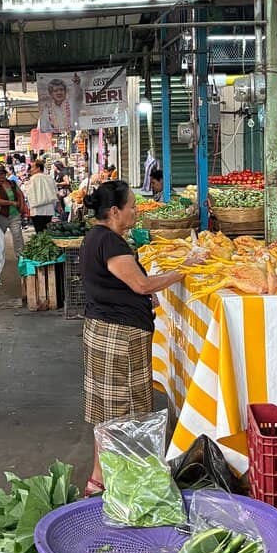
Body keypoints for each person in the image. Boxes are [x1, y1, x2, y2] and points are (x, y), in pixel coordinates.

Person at [79, 181, 198, 496]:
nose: (136, 211)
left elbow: (122, 284)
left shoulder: (97, 238)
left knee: (108, 412)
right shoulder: (110, 243)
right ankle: (125, 485)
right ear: (115, 211)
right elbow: (142, 286)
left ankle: (98, 478)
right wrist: (184, 269)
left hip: (102, 330)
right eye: (132, 205)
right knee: (126, 412)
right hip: (119, 336)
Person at [0, 166, 26, 260]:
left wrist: (22, 206)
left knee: (17, 236)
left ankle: (21, 257)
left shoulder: (12, 183)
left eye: (3, 174)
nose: (1, 176)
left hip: (14, 215)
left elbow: (20, 194)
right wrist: (12, 203)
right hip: (1, 216)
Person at [24, 160, 59, 233]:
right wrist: (59, 205)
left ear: (38, 168)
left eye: (32, 167)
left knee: (39, 232)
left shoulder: (32, 179)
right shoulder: (50, 178)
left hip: (37, 210)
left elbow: (27, 193)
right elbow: (56, 193)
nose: (31, 169)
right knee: (46, 231)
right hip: (49, 210)